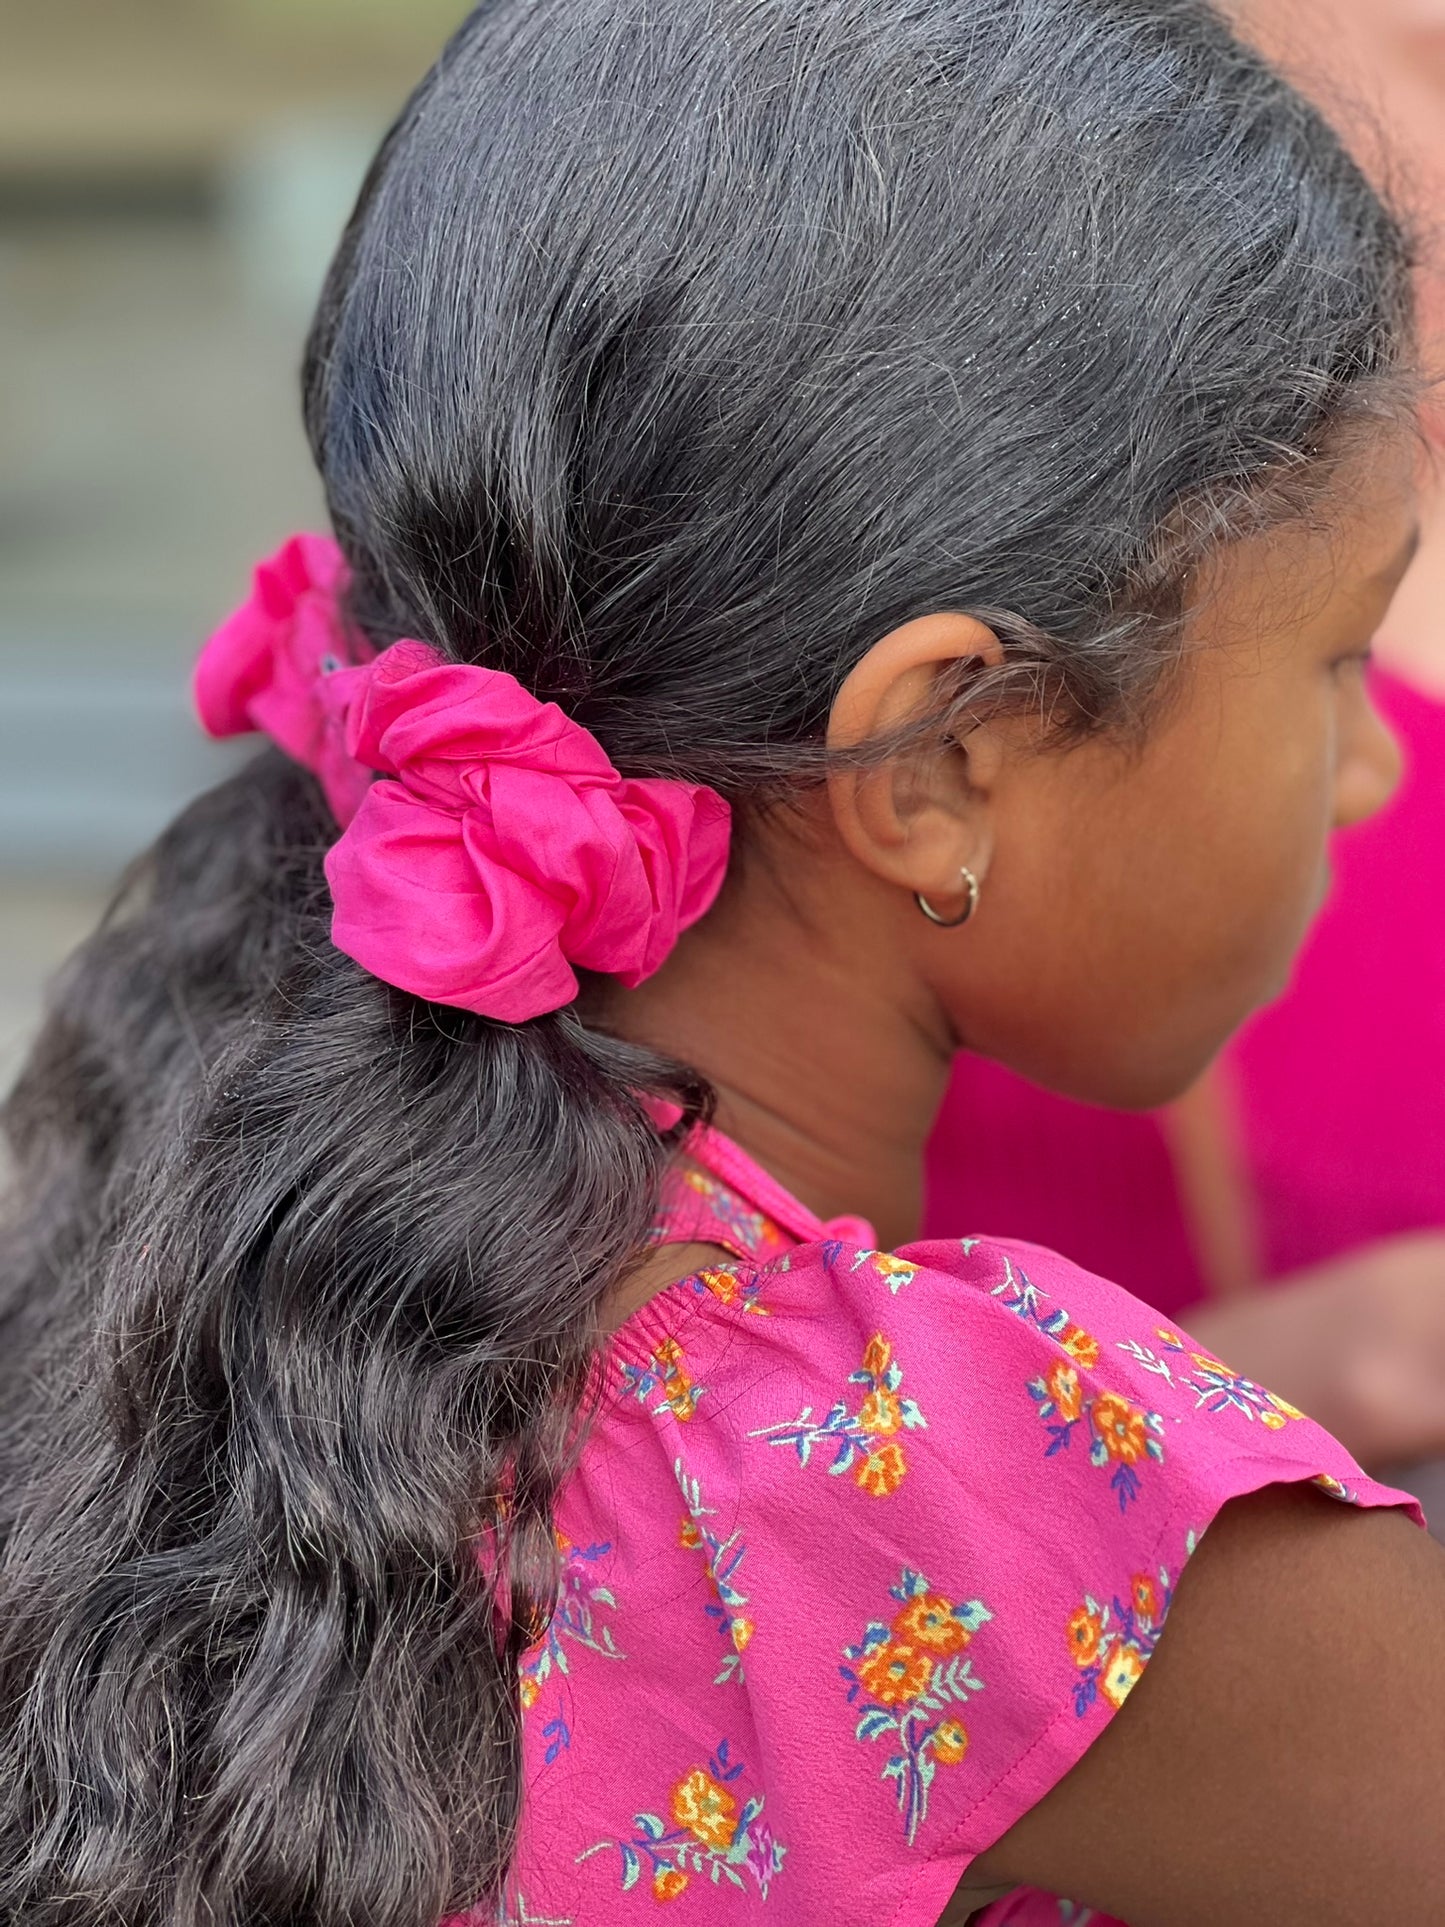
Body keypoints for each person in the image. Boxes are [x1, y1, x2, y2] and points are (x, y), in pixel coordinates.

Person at [1, 3, 1444, 1924]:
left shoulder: (195, 1184)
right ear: (936, 759)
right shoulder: (962, 1482)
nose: (1369, 771)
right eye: (1339, 656)